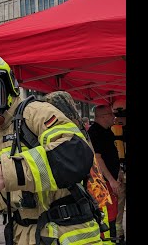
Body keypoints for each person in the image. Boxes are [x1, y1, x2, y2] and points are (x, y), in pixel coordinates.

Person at [0, 52, 102, 245]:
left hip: (67, 232)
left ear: (8, 85)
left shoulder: (35, 113)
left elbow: (76, 154)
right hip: (23, 236)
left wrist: (7, 172)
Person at [44, 91, 113, 244]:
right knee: (101, 228)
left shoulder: (64, 130)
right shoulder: (78, 128)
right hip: (95, 190)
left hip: (83, 194)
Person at [88, 104, 121, 240]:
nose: (114, 117)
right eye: (111, 114)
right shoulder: (95, 132)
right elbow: (98, 159)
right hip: (101, 183)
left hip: (109, 181)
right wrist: (111, 180)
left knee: (112, 214)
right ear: (102, 117)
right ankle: (108, 240)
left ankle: (112, 238)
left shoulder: (108, 131)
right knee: (107, 215)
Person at [111, 98, 126, 244]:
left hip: (119, 173)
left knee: (118, 207)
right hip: (119, 174)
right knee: (118, 207)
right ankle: (118, 234)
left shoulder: (113, 130)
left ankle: (119, 235)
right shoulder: (113, 130)